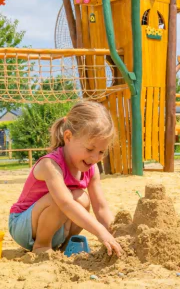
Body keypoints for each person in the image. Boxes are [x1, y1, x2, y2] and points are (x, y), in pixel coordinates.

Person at [8, 101, 123, 256]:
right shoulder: (50, 165)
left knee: (82, 199)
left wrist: (114, 233)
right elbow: (66, 204)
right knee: (64, 198)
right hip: (24, 227)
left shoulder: (92, 168)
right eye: (90, 149)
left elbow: (101, 208)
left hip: (57, 228)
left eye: (102, 152)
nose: (95, 157)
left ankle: (67, 244)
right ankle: (41, 246)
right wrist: (100, 232)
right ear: (68, 137)